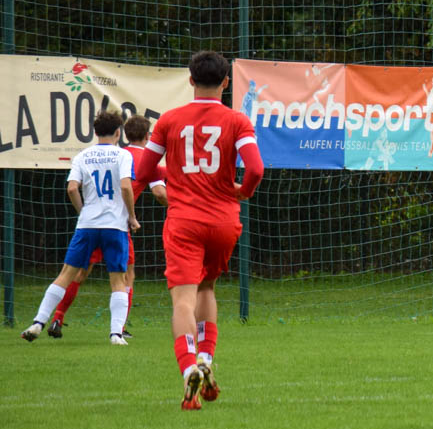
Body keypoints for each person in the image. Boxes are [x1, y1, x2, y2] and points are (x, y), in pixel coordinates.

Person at [134, 50, 264, 410]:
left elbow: (143, 171)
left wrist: (173, 174)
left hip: (185, 221)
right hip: (224, 220)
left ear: (190, 80)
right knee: (207, 287)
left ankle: (189, 365)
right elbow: (255, 169)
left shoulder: (169, 120)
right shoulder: (237, 120)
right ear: (226, 82)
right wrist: (243, 191)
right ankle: (206, 358)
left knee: (183, 300)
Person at [46, 114, 168, 339]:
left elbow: (73, 187)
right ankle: (119, 329)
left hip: (92, 222)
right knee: (125, 275)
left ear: (125, 135)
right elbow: (159, 192)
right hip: (117, 226)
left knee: (78, 272)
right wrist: (181, 204)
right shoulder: (143, 160)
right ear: (147, 136)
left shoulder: (115, 154)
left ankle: (57, 318)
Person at [21, 111, 139, 344]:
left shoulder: (83, 156)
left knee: (66, 274)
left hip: (87, 225)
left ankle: (38, 322)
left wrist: (83, 211)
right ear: (118, 133)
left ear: (95, 132)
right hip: (115, 226)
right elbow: (126, 187)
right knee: (119, 279)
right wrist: (132, 217)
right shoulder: (123, 155)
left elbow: (72, 188)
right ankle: (116, 334)